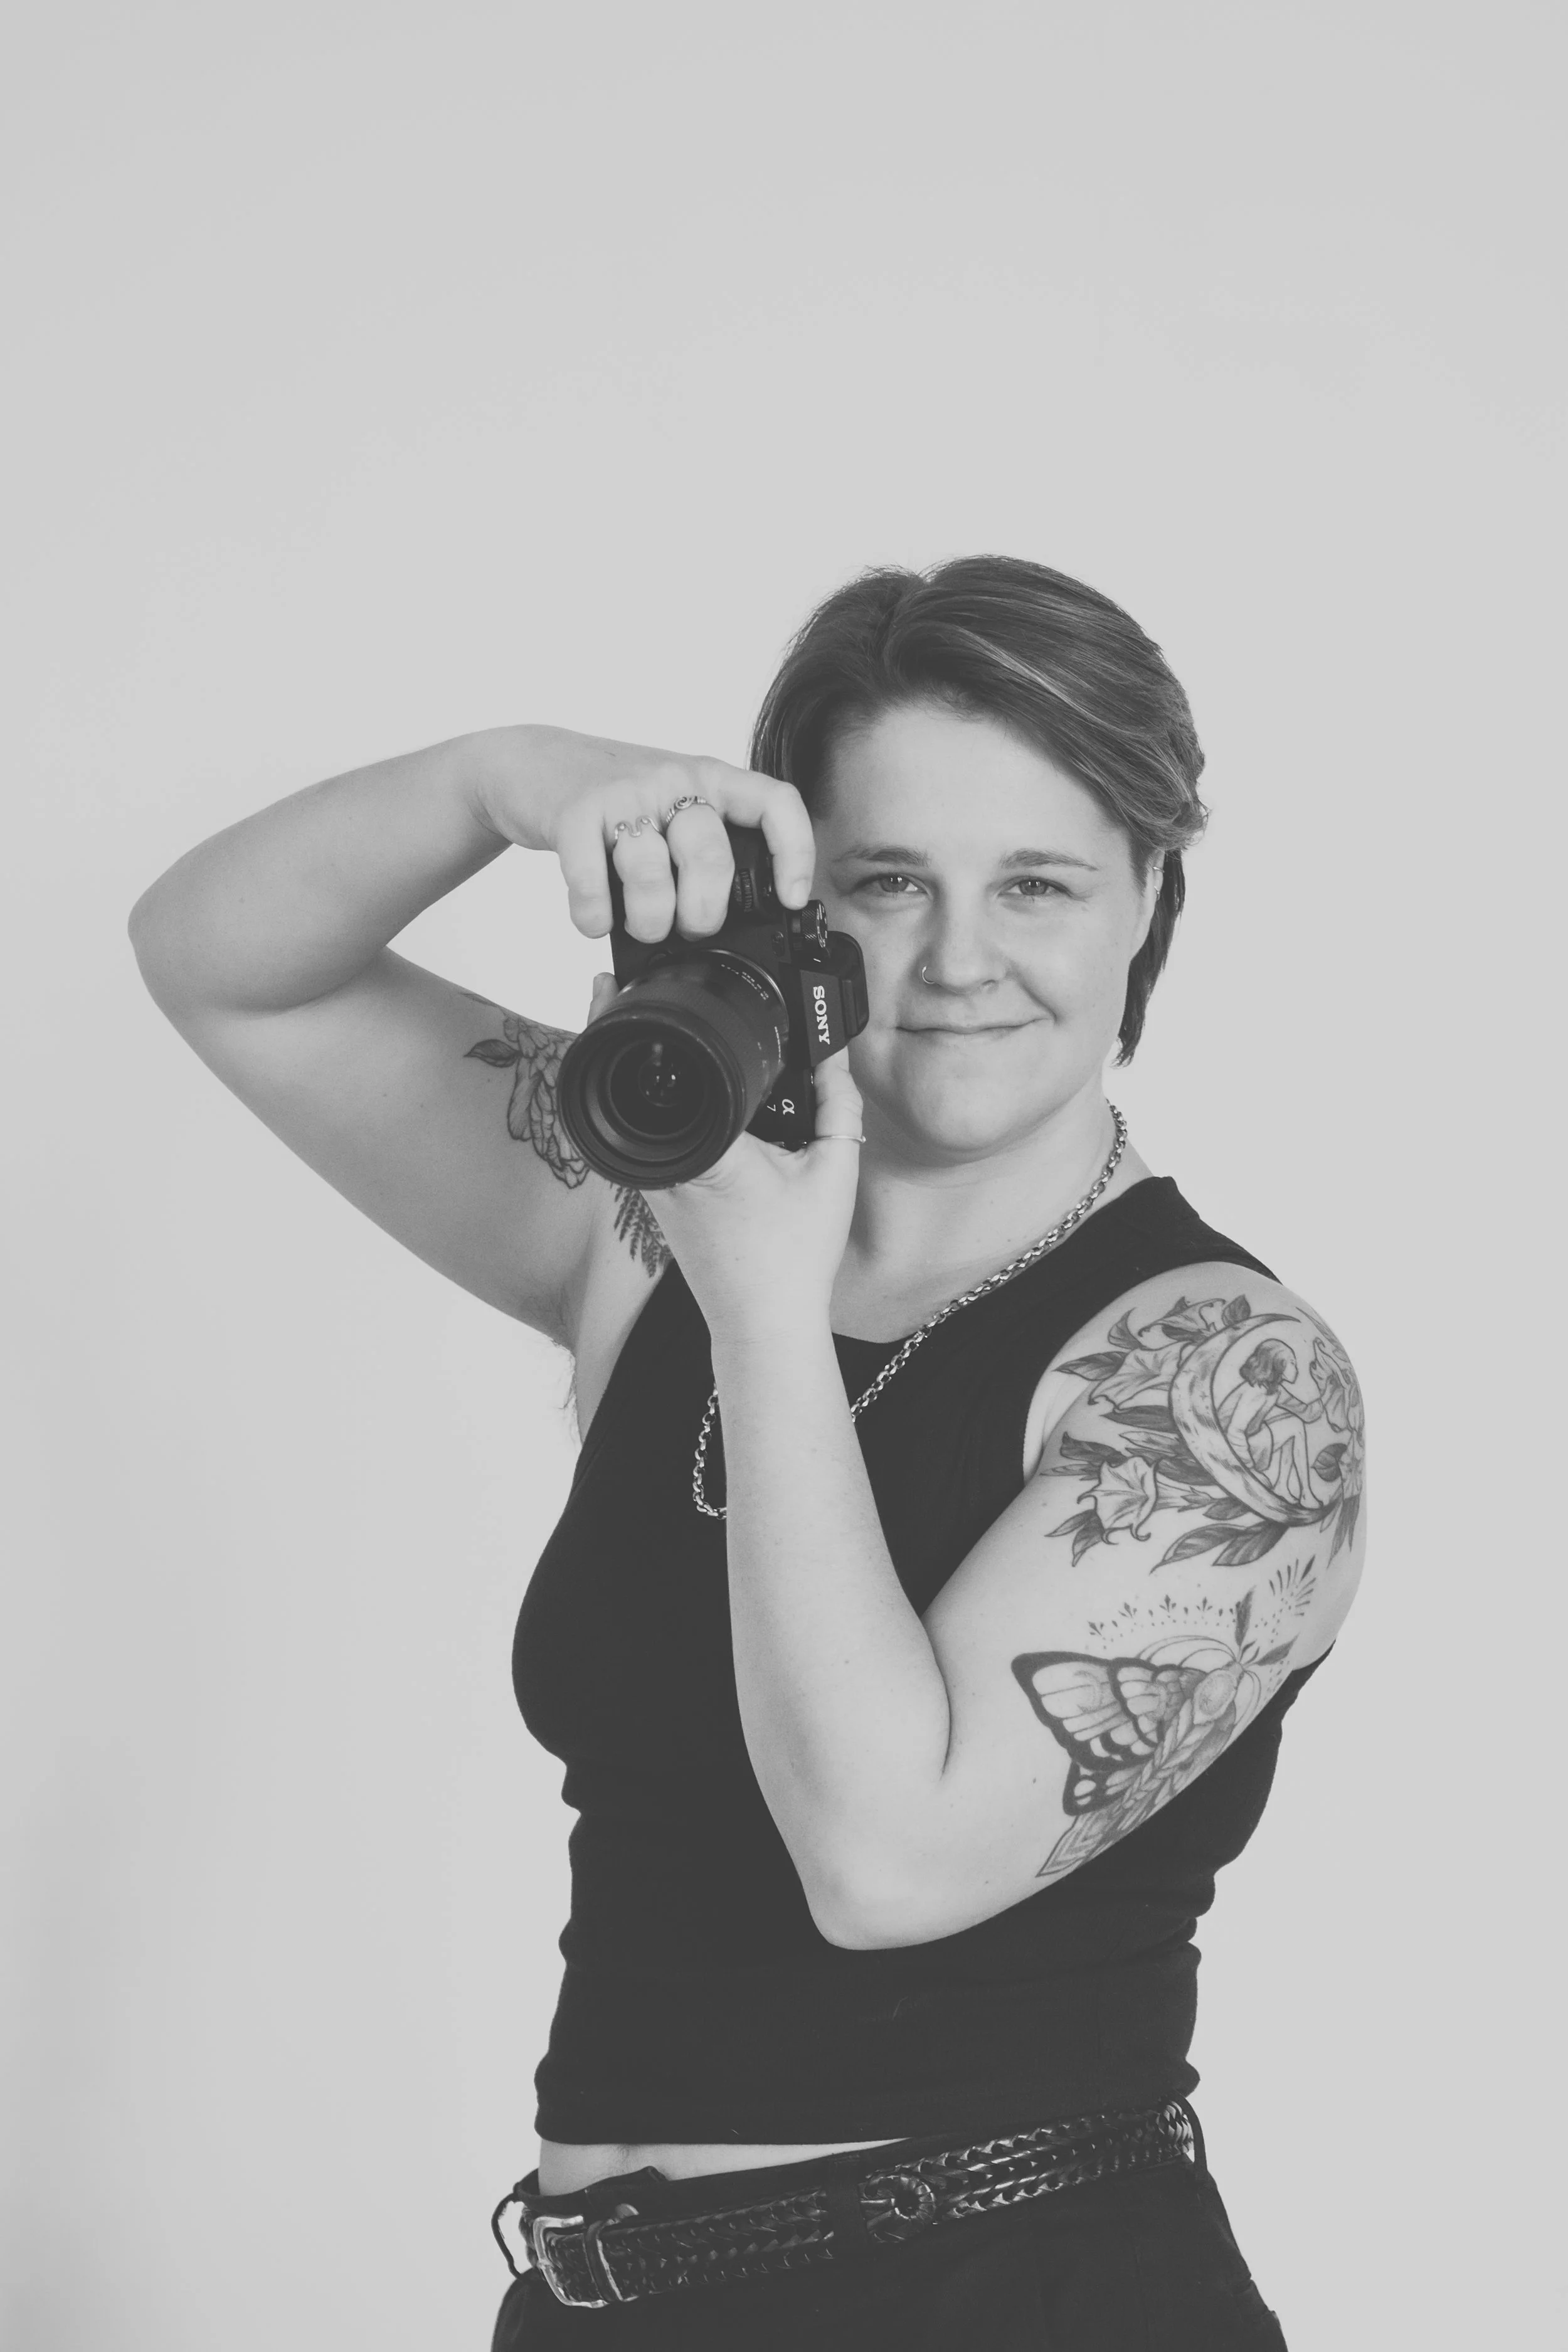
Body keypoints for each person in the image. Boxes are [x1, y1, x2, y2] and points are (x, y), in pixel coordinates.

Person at [129, 556, 1365, 2349]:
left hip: (1009, 2293)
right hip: (600, 2299)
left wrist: (771, 1314)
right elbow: (225, 962)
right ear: (793, 902)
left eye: (1036, 883)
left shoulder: (1225, 1377)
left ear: (1146, 899)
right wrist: (511, 776)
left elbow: (883, 1861)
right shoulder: (657, 1212)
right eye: (884, 881)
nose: (955, 961)